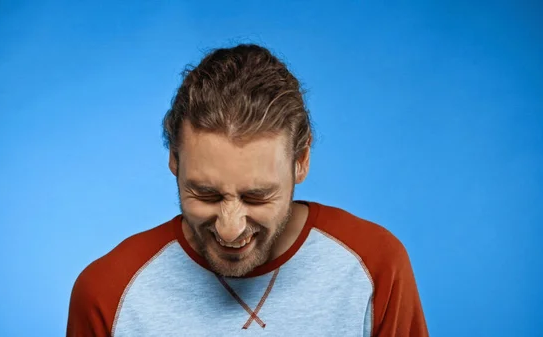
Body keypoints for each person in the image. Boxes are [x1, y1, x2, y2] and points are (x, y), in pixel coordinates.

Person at [66, 44, 429, 336]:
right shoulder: (108, 292)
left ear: (300, 161)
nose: (230, 228)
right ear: (174, 160)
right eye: (206, 194)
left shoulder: (375, 266)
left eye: (256, 196)